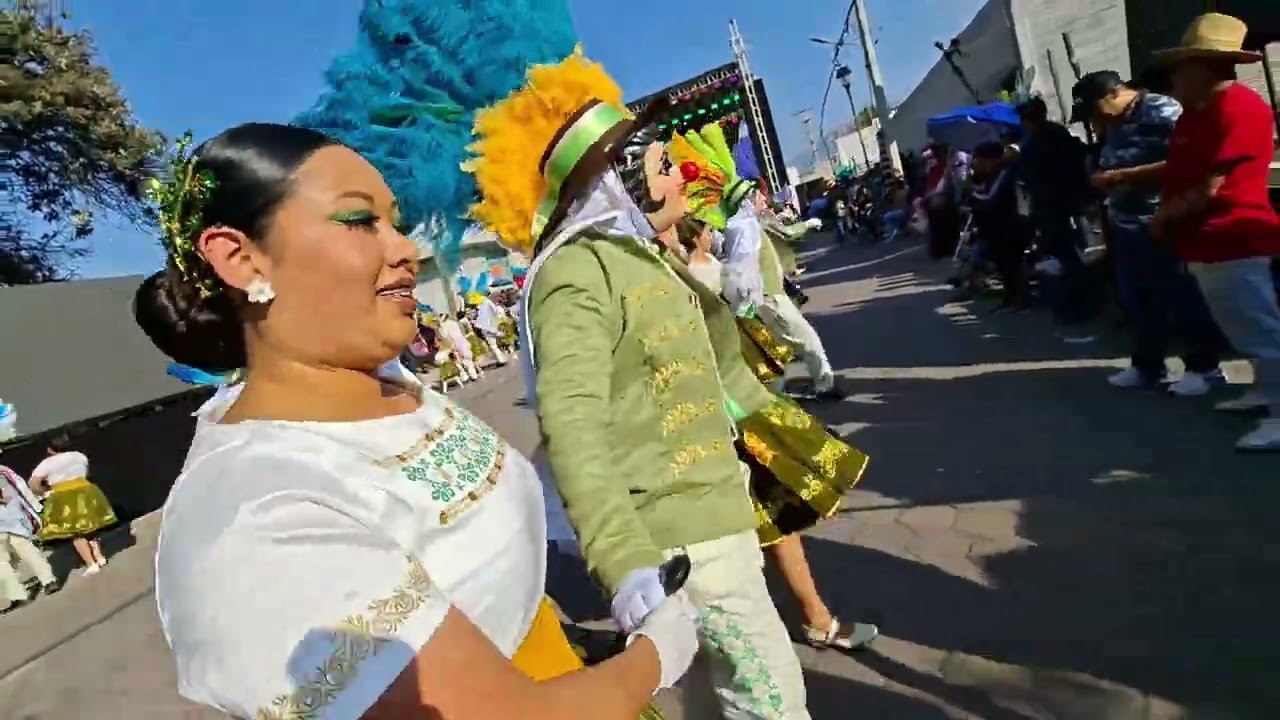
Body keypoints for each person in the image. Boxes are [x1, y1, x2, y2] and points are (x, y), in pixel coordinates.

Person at [131, 123, 696, 720]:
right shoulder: (253, 517)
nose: (404, 249)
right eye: (358, 222)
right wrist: (657, 653)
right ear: (241, 259)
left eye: (394, 222)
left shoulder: (390, 386)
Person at [467, 51, 813, 718]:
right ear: (616, 178)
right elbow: (571, 424)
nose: (680, 173)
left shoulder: (632, 255)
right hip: (682, 538)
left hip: (718, 513)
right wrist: (626, 563)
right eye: (660, 163)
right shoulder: (576, 273)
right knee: (773, 705)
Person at [673, 219, 878, 652]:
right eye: (663, 171)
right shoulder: (650, 275)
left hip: (737, 417)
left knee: (777, 525)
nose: (678, 179)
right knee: (727, 548)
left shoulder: (685, 264)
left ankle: (815, 619)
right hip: (693, 437)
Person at [1154, 13, 1280, 451]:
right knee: (1240, 325)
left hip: (1235, 236)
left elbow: (1214, 185)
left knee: (1259, 325)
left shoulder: (1240, 108)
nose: (1175, 77)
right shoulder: (1195, 114)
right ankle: (1266, 391)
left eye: (1182, 67)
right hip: (1206, 240)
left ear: (1206, 66)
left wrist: (1165, 217)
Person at [1072, 69, 1227, 393]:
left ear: (1113, 94)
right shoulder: (1114, 122)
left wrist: (1126, 175)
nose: (1094, 119)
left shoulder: (1162, 110)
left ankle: (1205, 367)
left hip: (1163, 220)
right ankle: (1148, 365)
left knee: (1182, 295)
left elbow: (1188, 162)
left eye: (1094, 110)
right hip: (1126, 222)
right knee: (1138, 299)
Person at [1016, 96, 1092, 320]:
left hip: (1052, 207)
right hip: (1072, 202)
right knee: (1074, 253)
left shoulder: (1033, 142)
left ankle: (1077, 306)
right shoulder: (1060, 133)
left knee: (1064, 257)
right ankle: (1082, 302)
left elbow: (1031, 180)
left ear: (1026, 120)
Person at [28, 436, 117, 575]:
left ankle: (91, 563)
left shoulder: (47, 463)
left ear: (50, 449)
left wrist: (45, 491)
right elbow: (86, 472)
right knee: (89, 526)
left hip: (64, 495)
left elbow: (33, 483)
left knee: (74, 532)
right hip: (86, 490)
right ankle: (99, 557)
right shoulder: (79, 456)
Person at [969, 141, 1032, 312]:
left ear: (991, 160)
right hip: (1003, 226)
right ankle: (1011, 296)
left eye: (979, 159)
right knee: (999, 254)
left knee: (1008, 256)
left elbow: (992, 199)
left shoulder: (1005, 173)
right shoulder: (993, 175)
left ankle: (1020, 297)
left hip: (1015, 226)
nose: (976, 163)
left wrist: (973, 198)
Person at [1, 463, 59, 613]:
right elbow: (19, 490)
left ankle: (19, 594)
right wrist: (35, 508)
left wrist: (35, 509)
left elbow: (9, 494)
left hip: (10, 520)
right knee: (24, 552)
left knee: (8, 559)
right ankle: (47, 581)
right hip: (12, 520)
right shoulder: (4, 470)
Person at [474, 292, 510, 366]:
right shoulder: (490, 304)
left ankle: (501, 359)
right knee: (496, 344)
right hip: (492, 327)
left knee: (493, 346)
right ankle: (501, 358)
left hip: (488, 328)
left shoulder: (485, 305)